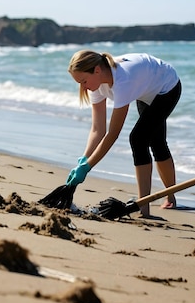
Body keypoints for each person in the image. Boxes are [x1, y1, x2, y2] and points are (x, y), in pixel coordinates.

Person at [66, 50, 182, 218]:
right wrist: (83, 160)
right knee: (153, 140)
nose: (83, 87)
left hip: (166, 86)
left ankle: (150, 205)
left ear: (97, 70)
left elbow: (112, 134)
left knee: (140, 139)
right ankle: (162, 201)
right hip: (145, 88)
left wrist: (88, 167)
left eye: (83, 81)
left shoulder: (123, 80)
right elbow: (98, 129)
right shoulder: (95, 85)